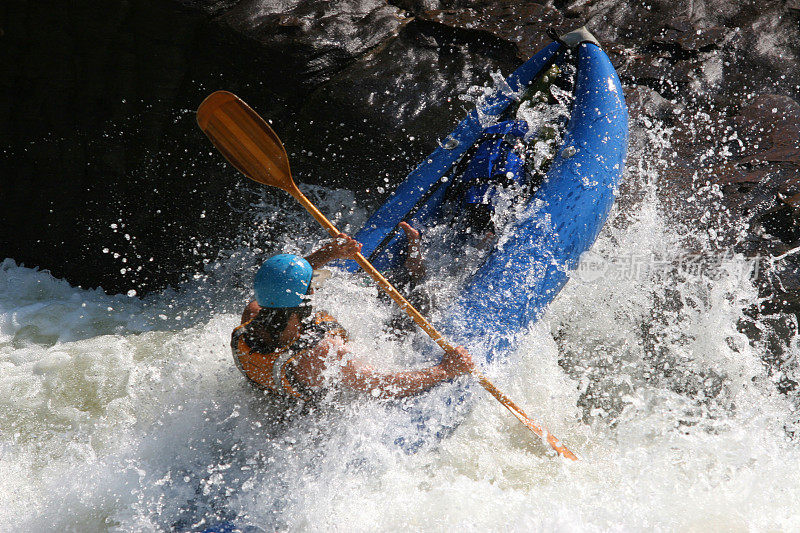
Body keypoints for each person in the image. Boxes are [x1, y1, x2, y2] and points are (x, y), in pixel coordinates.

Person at [231, 224, 475, 404]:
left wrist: (329, 253)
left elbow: (281, 283)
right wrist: (445, 370)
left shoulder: (252, 315)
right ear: (305, 297)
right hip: (313, 407)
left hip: (280, 394)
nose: (314, 288)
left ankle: (413, 268)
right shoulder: (321, 354)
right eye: (311, 286)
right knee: (425, 297)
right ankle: (417, 269)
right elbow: (385, 385)